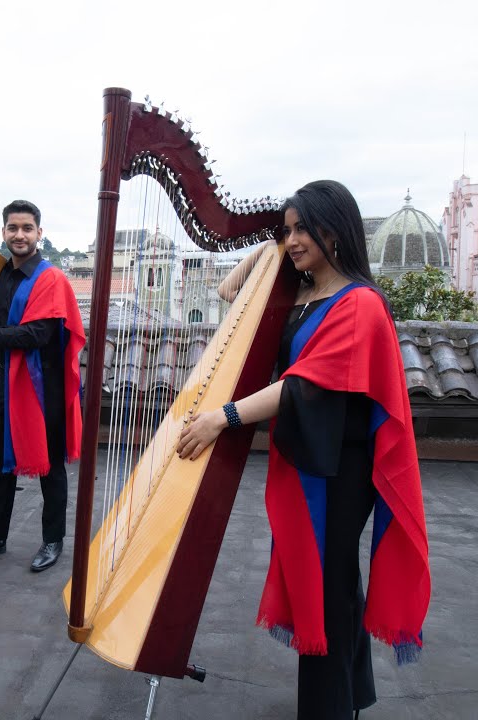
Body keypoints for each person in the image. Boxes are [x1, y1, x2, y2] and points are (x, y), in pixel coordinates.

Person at [176, 180, 430, 720]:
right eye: (287, 231)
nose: (292, 240)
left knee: (326, 589)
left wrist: (222, 418)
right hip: (309, 457)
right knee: (335, 582)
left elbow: (303, 384)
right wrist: (270, 244)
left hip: (339, 468)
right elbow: (227, 291)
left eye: (302, 230)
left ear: (334, 231)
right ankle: (351, 697)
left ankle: (327, 708)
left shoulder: (359, 303)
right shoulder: (301, 293)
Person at [0, 200, 85, 573]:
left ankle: (53, 540)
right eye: (12, 228)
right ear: (3, 233)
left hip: (44, 386)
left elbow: (36, 335)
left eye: (27, 228)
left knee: (50, 468)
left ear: (40, 233)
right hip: (6, 381)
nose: (19, 235)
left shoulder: (51, 279)